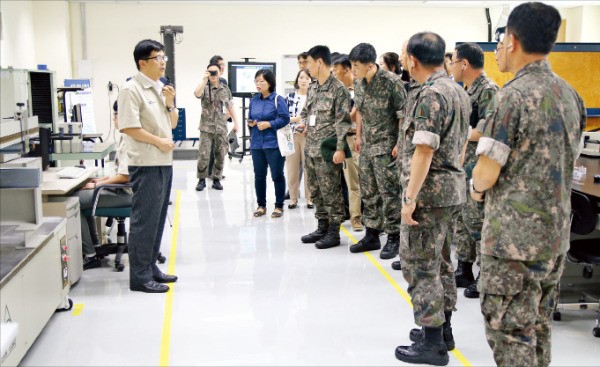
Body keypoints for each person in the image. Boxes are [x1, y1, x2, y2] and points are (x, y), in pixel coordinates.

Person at [471, 3, 585, 366]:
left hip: (512, 243)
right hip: (553, 238)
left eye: (501, 40)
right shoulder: (571, 95)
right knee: (537, 325)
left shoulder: (512, 97)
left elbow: (486, 173)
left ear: (513, 40)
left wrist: (475, 190)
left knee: (509, 331)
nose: (498, 50)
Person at [395, 32, 470, 366]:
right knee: (441, 263)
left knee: (421, 267)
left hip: (429, 195)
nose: (401, 61)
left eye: (403, 56)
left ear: (413, 59)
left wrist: (410, 197)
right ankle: (444, 330)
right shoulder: (457, 90)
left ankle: (432, 344)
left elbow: (424, 150)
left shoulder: (430, 95)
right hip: (452, 190)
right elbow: (462, 143)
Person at [118, 39, 179, 293]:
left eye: (164, 57)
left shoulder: (159, 88)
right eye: (158, 58)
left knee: (157, 219)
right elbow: (129, 127)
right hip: (146, 163)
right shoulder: (131, 90)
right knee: (144, 221)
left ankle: (151, 266)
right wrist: (159, 142)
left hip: (163, 162)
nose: (163, 62)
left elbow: (173, 124)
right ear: (143, 63)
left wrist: (170, 103)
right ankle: (140, 277)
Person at [449, 42, 499, 299]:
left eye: (454, 61)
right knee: (463, 220)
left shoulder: (488, 90)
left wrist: (464, 134)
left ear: (464, 64)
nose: (451, 66)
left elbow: (489, 129)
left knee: (478, 221)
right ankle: (465, 268)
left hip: (478, 165)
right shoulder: (466, 91)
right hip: (463, 165)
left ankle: (483, 275)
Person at [348, 43, 406, 259]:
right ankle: (372, 234)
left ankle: (394, 237)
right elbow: (360, 110)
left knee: (389, 193)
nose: (353, 70)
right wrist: (359, 136)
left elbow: (403, 115)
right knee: (369, 191)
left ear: (370, 65)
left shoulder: (392, 83)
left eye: (356, 66)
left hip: (387, 147)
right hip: (367, 147)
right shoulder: (359, 83)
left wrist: (400, 143)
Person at [298, 45, 351, 249]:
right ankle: (322, 226)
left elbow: (342, 122)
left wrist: (339, 149)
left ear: (319, 62)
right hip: (311, 147)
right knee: (316, 191)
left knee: (331, 192)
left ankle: (334, 232)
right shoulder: (313, 87)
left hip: (327, 150)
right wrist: (303, 122)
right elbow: (306, 112)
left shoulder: (338, 89)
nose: (307, 67)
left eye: (309, 63)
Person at [75, 101, 131, 270]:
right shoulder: (125, 136)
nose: (114, 119)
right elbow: (119, 172)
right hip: (121, 190)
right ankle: (95, 245)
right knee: (82, 197)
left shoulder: (129, 140)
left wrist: (97, 186)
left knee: (74, 201)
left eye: (115, 115)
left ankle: (91, 254)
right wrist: (99, 181)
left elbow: (124, 176)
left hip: (124, 194)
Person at [247, 69, 290, 218]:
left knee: (277, 175)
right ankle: (261, 205)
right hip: (257, 144)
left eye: (261, 81)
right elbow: (250, 118)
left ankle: (279, 206)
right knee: (259, 176)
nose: (258, 84)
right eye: (256, 81)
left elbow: (285, 119)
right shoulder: (254, 100)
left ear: (270, 82)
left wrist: (269, 124)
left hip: (274, 144)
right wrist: (251, 123)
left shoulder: (278, 99)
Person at [194, 63, 239, 191]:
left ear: (220, 73)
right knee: (204, 155)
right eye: (210, 72)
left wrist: (236, 123)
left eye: (215, 72)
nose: (213, 75)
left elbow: (230, 106)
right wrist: (204, 79)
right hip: (206, 128)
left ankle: (216, 179)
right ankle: (201, 179)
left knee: (220, 154)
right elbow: (197, 94)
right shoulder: (204, 87)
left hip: (221, 127)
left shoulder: (225, 89)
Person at [332, 54, 363, 232]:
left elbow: (353, 115)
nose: (334, 72)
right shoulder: (338, 90)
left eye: (336, 69)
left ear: (346, 69)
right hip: (340, 138)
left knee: (358, 182)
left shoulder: (359, 87)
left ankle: (358, 217)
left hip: (356, 138)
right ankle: (353, 215)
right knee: (348, 182)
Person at [285, 69, 313, 209]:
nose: (304, 80)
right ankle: (293, 198)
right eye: (301, 77)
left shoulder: (314, 97)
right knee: (292, 169)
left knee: (309, 168)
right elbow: (283, 117)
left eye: (307, 78)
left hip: (309, 136)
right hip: (292, 136)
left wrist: (306, 125)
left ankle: (310, 198)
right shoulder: (289, 97)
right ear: (297, 80)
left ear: (311, 81)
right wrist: (296, 120)